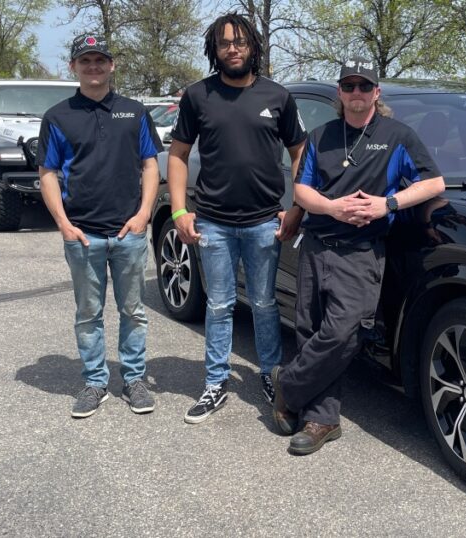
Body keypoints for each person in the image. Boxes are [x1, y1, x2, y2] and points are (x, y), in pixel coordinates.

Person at [272, 58, 445, 454]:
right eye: (348, 86)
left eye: (364, 87)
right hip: (317, 247)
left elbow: (434, 182)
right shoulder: (321, 136)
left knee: (345, 331)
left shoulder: (397, 136)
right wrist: (331, 209)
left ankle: (288, 383)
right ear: (339, 93)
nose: (356, 94)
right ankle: (321, 419)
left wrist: (388, 204)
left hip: (362, 252)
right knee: (311, 331)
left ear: (376, 93)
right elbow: (302, 191)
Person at [168, 13, 307, 424]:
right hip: (212, 220)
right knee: (219, 304)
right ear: (215, 49)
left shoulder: (278, 96)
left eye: (241, 41)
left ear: (254, 47)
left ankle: (270, 374)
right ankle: (215, 382)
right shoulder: (198, 96)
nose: (233, 48)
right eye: (225, 42)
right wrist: (178, 210)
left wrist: (297, 207)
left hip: (266, 220)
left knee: (265, 304)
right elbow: (176, 155)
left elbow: (301, 154)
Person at [38, 34, 162, 418]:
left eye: (100, 60)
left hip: (128, 233)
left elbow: (150, 165)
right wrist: (63, 224)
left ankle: (134, 379)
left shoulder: (135, 111)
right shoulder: (58, 117)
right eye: (85, 61)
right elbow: (48, 173)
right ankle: (95, 382)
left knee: (134, 311)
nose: (94, 67)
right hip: (83, 234)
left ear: (112, 65)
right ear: (73, 66)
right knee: (88, 314)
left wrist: (144, 215)